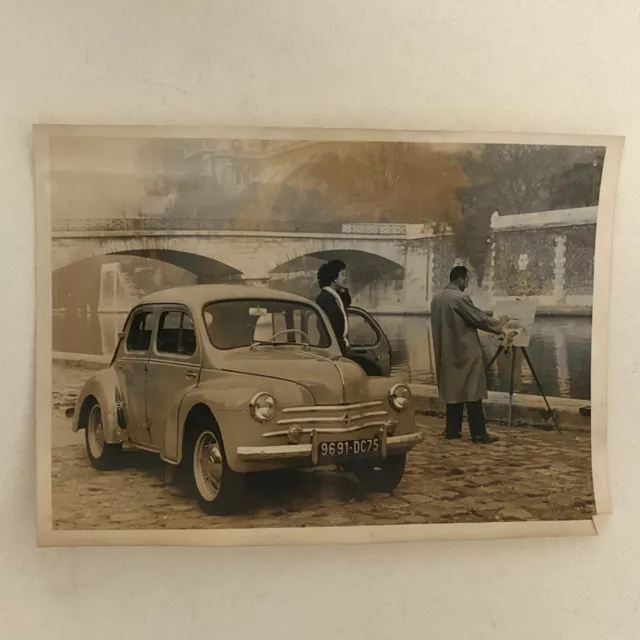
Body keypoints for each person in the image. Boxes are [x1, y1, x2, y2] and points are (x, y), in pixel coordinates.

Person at [430, 265, 509, 444]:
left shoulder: (436, 299)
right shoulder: (460, 298)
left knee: (452, 392)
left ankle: (452, 429)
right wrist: (501, 325)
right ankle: (479, 433)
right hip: (465, 352)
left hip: (445, 352)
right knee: (473, 392)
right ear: (460, 280)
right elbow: (478, 318)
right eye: (466, 280)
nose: (467, 284)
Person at [315, 259, 352, 355]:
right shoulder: (326, 299)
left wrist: (343, 290)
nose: (345, 278)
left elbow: (346, 303)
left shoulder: (332, 296)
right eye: (343, 274)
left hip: (336, 347)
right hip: (333, 350)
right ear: (334, 278)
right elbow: (332, 327)